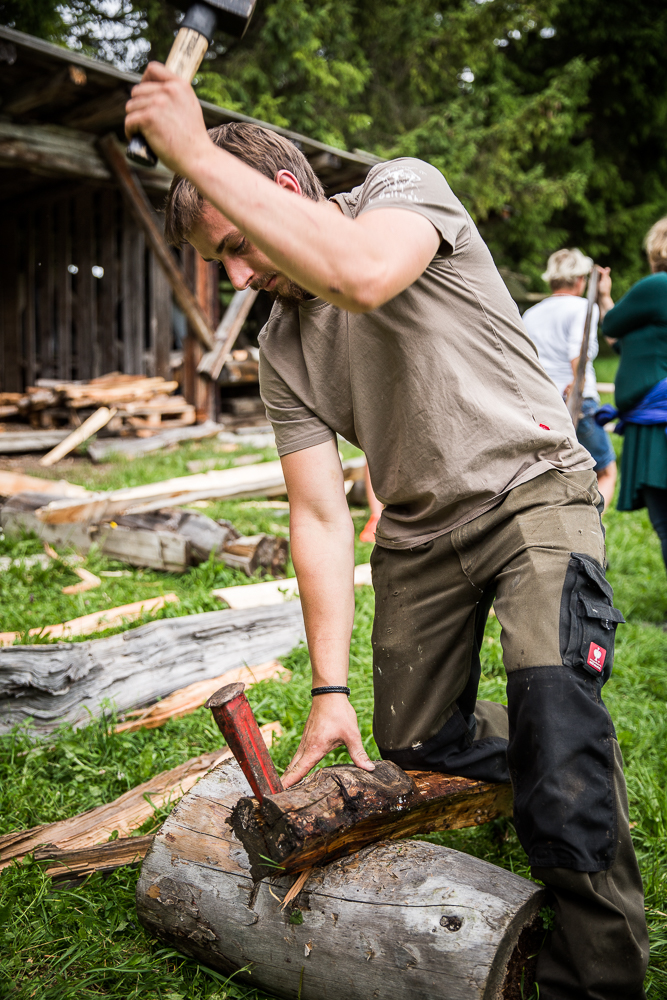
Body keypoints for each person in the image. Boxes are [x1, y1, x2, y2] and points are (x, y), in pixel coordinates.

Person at [125, 62, 648, 999]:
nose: (240, 277)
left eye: (240, 246)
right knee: (418, 745)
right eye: (223, 265)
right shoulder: (281, 345)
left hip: (532, 492)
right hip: (417, 537)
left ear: (286, 191)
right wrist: (329, 688)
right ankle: (556, 736)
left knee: (560, 749)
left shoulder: (404, 192)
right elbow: (320, 512)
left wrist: (194, 147)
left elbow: (363, 275)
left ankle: (593, 971)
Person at [523, 248, 617, 510]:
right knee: (605, 471)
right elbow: (580, 352)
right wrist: (577, 384)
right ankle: (593, 528)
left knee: (558, 475)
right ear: (579, 280)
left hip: (541, 406)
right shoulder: (582, 307)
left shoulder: (531, 313)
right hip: (576, 402)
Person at [601, 218, 667, 573]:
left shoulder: (659, 286)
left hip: (660, 426)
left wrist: (605, 303)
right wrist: (605, 298)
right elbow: (625, 341)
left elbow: (611, 326)